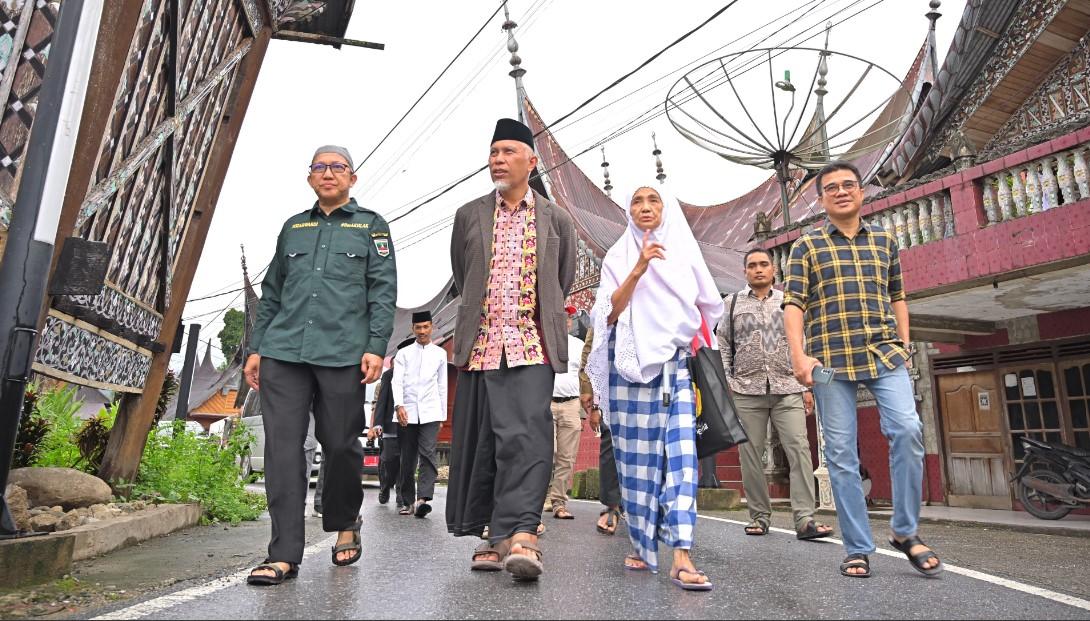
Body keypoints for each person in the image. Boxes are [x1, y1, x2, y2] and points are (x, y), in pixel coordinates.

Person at [244, 145, 397, 586]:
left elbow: (382, 290)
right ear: (310, 177)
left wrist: (375, 345)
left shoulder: (371, 227)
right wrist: (257, 348)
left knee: (341, 444)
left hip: (343, 352)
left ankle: (346, 520)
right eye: (320, 167)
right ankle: (284, 553)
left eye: (337, 167)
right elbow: (271, 292)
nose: (328, 173)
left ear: (352, 178)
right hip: (284, 352)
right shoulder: (294, 228)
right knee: (283, 449)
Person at [783, 160, 942, 579]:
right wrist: (798, 356)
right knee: (840, 453)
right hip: (831, 358)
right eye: (831, 187)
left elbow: (898, 295)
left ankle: (905, 531)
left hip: (884, 354)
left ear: (861, 192)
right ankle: (857, 546)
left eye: (848, 185)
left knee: (907, 431)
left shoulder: (885, 242)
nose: (840, 191)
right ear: (820, 200)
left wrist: (905, 344)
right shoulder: (807, 246)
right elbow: (793, 304)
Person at [446, 118, 577, 581]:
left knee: (529, 441)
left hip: (531, 347)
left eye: (507, 152)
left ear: (530, 161)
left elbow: (561, 280)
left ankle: (524, 535)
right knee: (485, 444)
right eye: (493, 152)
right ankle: (492, 536)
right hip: (481, 347)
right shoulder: (469, 214)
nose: (497, 160)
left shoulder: (557, 219)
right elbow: (464, 277)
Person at [586, 183, 723, 591]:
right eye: (637, 201)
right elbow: (607, 313)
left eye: (653, 200)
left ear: (666, 207)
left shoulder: (685, 251)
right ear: (628, 210)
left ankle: (681, 555)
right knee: (636, 468)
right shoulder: (618, 255)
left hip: (675, 368)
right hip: (628, 370)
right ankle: (644, 548)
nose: (645, 208)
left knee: (682, 459)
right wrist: (639, 268)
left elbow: (709, 307)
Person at [718, 248, 833, 540]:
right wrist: (728, 382)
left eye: (764, 265)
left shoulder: (788, 303)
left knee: (799, 451)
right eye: (752, 265)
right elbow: (722, 344)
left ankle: (805, 518)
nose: (758, 269)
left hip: (788, 388)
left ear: (773, 270)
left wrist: (807, 386)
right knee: (750, 455)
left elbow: (803, 343)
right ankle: (759, 516)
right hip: (746, 389)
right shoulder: (731, 304)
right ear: (745, 272)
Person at [392, 311, 448, 518]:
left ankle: (423, 499)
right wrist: (399, 406)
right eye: (419, 327)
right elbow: (396, 381)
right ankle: (407, 501)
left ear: (432, 327)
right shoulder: (404, 354)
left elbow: (442, 385)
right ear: (413, 329)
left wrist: (442, 415)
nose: (422, 331)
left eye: (426, 327)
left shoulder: (440, 354)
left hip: (431, 412)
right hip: (406, 411)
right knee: (407, 458)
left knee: (428, 453)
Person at [544, 305, 585, 520]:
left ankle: (558, 501)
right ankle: (541, 498)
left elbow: (586, 376)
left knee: (566, 457)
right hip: (546, 404)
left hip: (571, 404)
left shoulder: (579, 346)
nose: (565, 322)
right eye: (561, 318)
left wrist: (591, 407)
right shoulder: (544, 344)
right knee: (544, 454)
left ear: (570, 322)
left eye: (568, 318)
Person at [583, 327, 623, 536]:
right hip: (611, 385)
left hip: (650, 379)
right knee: (610, 442)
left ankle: (639, 506)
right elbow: (592, 354)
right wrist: (593, 399)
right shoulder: (605, 305)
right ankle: (612, 505)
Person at [368, 340, 414, 507]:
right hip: (390, 426)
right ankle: (386, 486)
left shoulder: (416, 374)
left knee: (405, 461)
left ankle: (401, 493)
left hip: (410, 425)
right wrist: (377, 424)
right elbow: (381, 401)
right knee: (388, 460)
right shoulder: (388, 376)